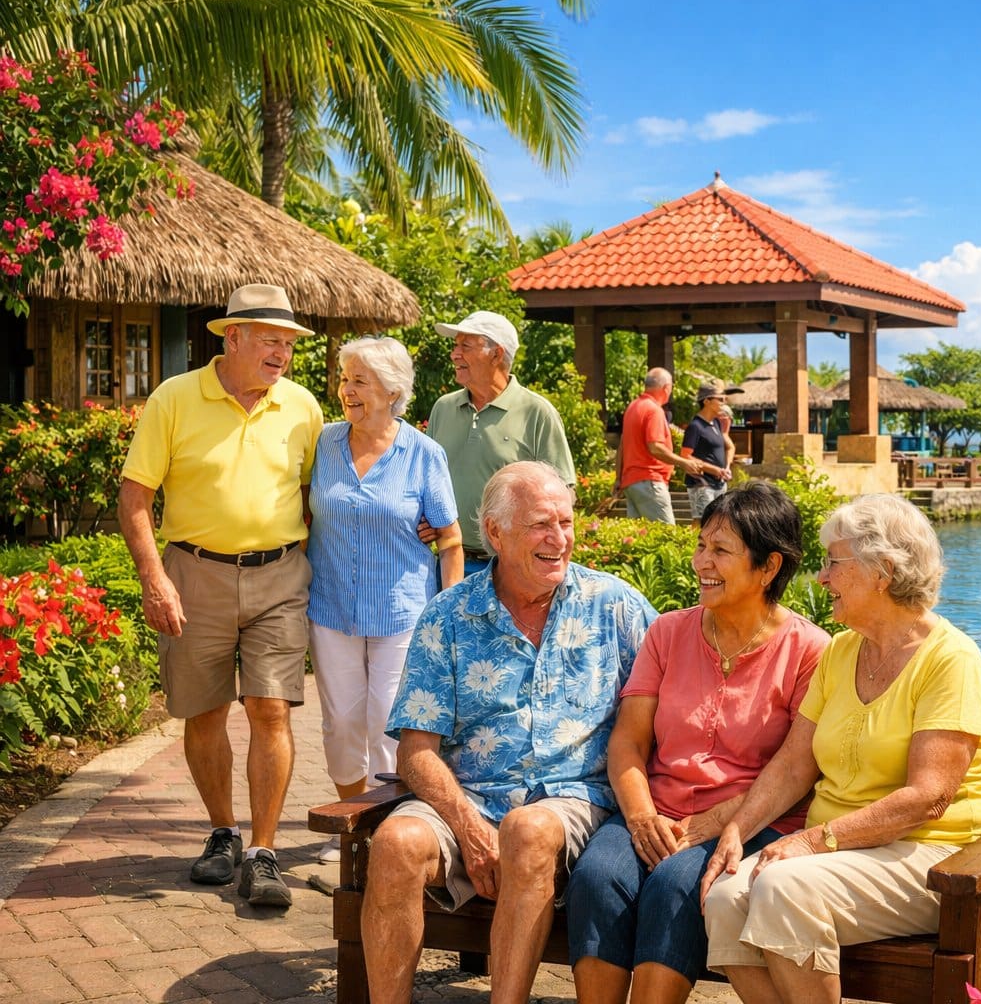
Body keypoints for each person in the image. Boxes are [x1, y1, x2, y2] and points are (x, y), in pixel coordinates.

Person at [360, 462, 656, 1004]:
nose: (559, 539)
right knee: (395, 843)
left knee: (528, 830)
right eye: (542, 524)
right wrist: (468, 828)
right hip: (471, 796)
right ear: (494, 533)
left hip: (572, 801)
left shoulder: (616, 606)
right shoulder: (448, 615)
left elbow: (670, 707)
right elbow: (417, 752)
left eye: (566, 523)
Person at [699, 494, 981, 1004]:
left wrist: (813, 842)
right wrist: (737, 830)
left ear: (882, 571)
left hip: (941, 859)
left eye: (832, 564)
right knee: (725, 895)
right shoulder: (841, 652)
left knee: (782, 888)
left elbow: (929, 797)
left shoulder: (951, 659)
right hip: (844, 852)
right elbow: (795, 763)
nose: (820, 578)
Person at [566, 482, 830, 1004]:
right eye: (701, 545)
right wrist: (641, 817)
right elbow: (628, 740)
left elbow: (797, 769)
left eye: (721, 550)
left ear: (769, 567)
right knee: (597, 876)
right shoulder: (667, 632)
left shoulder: (809, 651)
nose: (701, 562)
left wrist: (708, 826)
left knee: (675, 885)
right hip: (656, 811)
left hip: (751, 821)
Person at [117, 283, 324, 908]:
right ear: (230, 338)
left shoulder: (303, 407)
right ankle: (221, 833)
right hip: (194, 573)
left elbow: (320, 498)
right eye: (270, 340)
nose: (282, 354)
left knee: (271, 709)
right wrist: (156, 579)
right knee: (204, 713)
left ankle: (264, 852)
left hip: (280, 576)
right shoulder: (174, 399)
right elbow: (135, 500)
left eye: (289, 344)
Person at [307, 336, 465, 863]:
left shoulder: (422, 453)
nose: (346, 390)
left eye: (360, 381)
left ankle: (389, 830)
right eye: (345, 378)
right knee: (341, 723)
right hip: (331, 608)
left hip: (403, 612)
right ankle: (349, 826)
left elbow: (450, 538)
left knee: (387, 724)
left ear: (392, 391)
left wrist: (449, 613)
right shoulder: (325, 444)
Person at [425, 311, 575, 574]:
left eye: (465, 346)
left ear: (496, 354)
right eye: (455, 345)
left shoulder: (536, 412)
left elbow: (563, 496)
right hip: (447, 562)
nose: (454, 354)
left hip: (510, 569)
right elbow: (423, 480)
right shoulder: (443, 408)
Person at [618, 368, 722, 523]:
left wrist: (618, 478)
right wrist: (684, 462)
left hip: (632, 483)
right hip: (649, 481)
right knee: (667, 536)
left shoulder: (633, 407)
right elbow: (655, 447)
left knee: (639, 539)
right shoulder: (654, 410)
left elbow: (622, 447)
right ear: (666, 388)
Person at [680, 380, 735, 522]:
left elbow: (728, 446)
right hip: (701, 483)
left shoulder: (716, 423)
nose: (724, 403)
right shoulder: (695, 427)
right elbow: (686, 456)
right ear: (707, 401)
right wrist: (714, 470)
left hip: (719, 483)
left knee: (718, 522)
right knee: (702, 521)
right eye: (720, 399)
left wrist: (726, 467)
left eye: (725, 399)